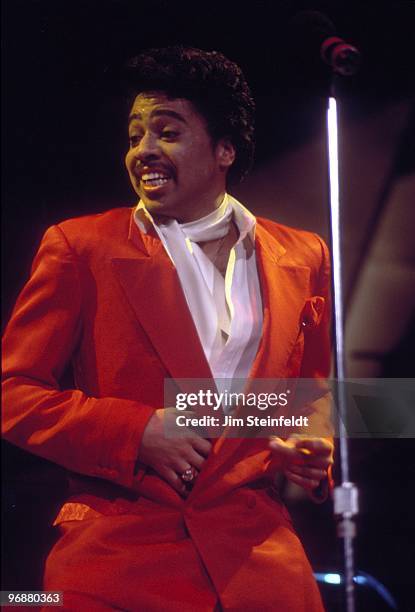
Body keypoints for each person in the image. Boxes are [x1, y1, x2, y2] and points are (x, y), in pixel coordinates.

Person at [2, 46, 334, 611]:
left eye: (167, 132)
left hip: (260, 563)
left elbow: (310, 393)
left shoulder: (303, 255)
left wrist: (311, 445)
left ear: (225, 149)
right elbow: (12, 394)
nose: (143, 151)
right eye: (135, 135)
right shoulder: (81, 246)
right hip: (115, 561)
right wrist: (136, 432)